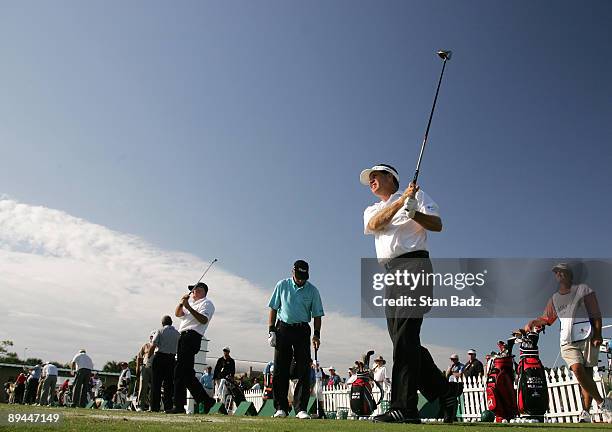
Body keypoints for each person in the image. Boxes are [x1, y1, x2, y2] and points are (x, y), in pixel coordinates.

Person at [361, 163, 462, 423]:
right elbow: (375, 223)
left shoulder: (419, 196)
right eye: (370, 178)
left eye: (376, 176)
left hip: (415, 265)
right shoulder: (373, 208)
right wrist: (403, 200)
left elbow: (437, 225)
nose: (371, 180)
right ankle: (445, 391)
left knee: (405, 338)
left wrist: (415, 213)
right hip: (391, 272)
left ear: (390, 179)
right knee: (403, 341)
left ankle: (404, 408)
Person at [525, 262, 612, 423]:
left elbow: (595, 313)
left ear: (570, 275)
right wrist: (533, 322)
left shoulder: (584, 290)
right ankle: (603, 403)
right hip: (567, 339)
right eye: (557, 273)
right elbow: (547, 318)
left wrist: (598, 334)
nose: (559, 275)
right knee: (578, 370)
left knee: (586, 375)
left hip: (587, 335)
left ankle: (585, 412)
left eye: (563, 272)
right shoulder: (555, 298)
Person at [268, 259, 325, 420]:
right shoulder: (282, 285)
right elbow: (273, 307)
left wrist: (317, 334)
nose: (301, 280)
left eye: (303, 277)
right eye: (299, 276)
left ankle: (300, 408)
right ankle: (281, 408)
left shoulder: (313, 291)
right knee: (280, 368)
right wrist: (271, 330)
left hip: (302, 330)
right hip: (283, 328)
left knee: (303, 369)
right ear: (292, 272)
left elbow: (317, 315)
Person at [169, 282, 216, 414]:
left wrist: (188, 306)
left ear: (201, 291)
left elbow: (203, 320)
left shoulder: (207, 303)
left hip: (192, 336)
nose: (192, 293)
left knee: (179, 371)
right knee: (187, 374)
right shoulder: (192, 304)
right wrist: (181, 303)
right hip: (183, 336)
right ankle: (206, 400)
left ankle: (178, 405)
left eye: (194, 290)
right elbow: (178, 314)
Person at [149, 315, 180, 412]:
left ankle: (154, 407)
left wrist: (148, 358)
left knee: (156, 384)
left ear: (163, 323)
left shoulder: (160, 331)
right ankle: (168, 407)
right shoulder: (177, 334)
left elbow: (153, 345)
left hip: (160, 357)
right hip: (171, 359)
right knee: (169, 385)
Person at [135, 332, 155, 411]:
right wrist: (137, 369)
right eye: (152, 337)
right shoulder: (145, 346)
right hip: (145, 367)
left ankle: (152, 406)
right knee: (143, 387)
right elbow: (139, 357)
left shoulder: (159, 346)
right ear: (150, 337)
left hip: (154, 368)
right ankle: (140, 405)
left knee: (153, 388)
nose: (153, 338)